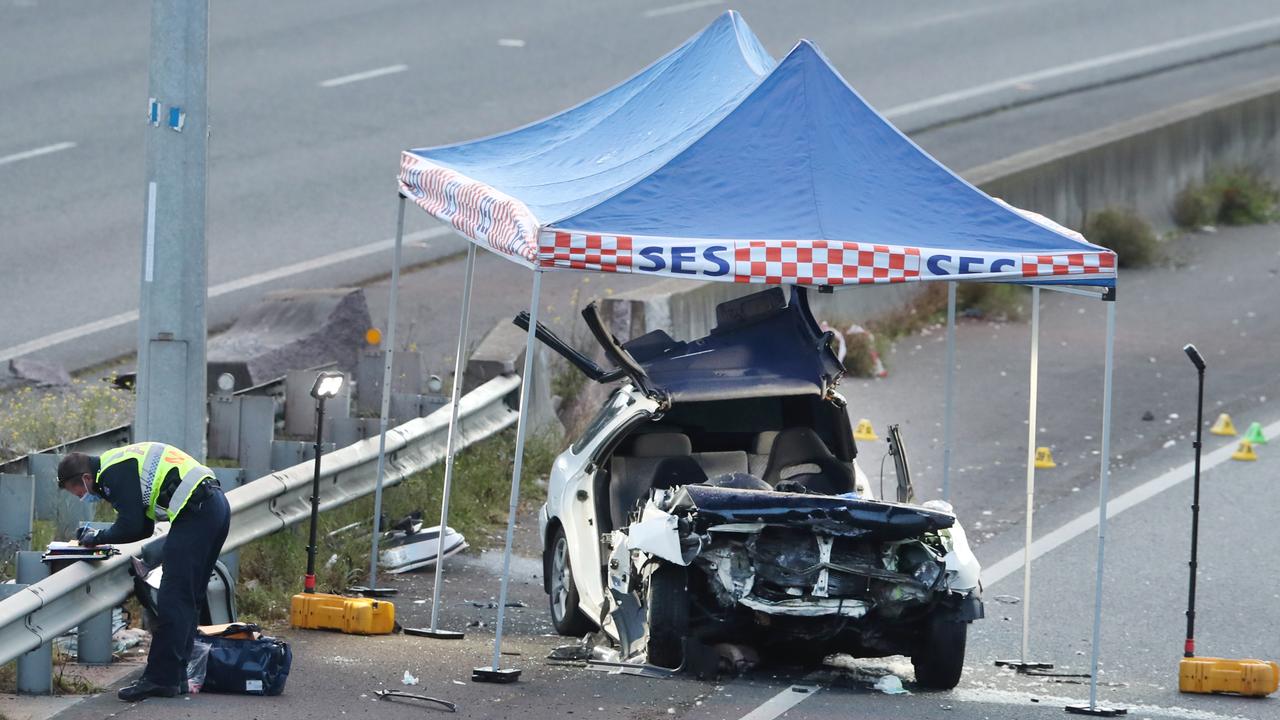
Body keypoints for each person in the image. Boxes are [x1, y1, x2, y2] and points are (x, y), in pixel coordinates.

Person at [57, 442, 230, 702]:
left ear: (86, 477)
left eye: (77, 490)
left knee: (172, 599)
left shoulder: (111, 473)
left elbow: (133, 525)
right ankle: (176, 677)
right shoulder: (119, 461)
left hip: (195, 513)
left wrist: (97, 537)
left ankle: (160, 679)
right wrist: (105, 536)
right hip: (213, 506)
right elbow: (143, 528)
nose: (81, 496)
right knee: (188, 598)